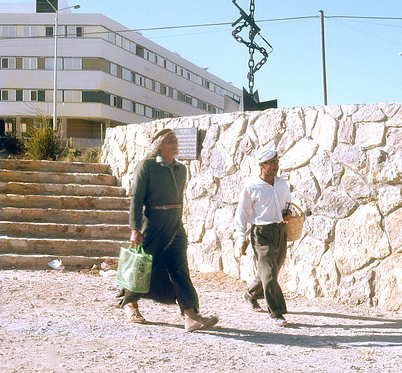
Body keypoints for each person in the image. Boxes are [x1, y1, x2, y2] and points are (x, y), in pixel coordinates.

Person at [118, 128, 218, 331]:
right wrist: (135, 228)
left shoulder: (181, 169)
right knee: (143, 268)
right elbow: (137, 199)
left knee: (180, 269)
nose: (176, 144)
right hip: (153, 225)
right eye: (170, 140)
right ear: (159, 146)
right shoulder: (146, 166)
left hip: (175, 227)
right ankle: (130, 303)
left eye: (176, 140)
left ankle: (190, 315)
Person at [234, 148, 293, 327]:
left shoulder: (282, 184)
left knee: (270, 271)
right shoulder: (251, 186)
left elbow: (288, 203)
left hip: (280, 231)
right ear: (262, 165)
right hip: (261, 233)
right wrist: (240, 238)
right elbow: (242, 213)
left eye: (276, 162)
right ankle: (276, 312)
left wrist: (288, 212)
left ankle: (250, 294)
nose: (276, 165)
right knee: (269, 272)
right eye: (272, 163)